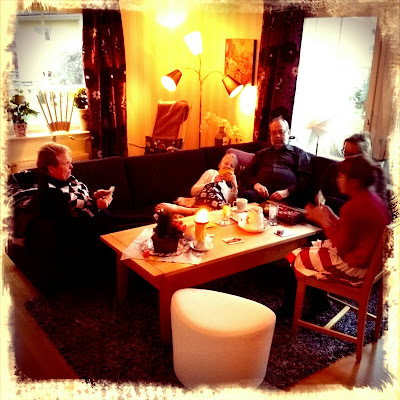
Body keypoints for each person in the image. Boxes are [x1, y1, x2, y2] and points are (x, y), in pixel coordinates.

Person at [276, 153, 391, 319]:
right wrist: (329, 214)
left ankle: (289, 309)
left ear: (354, 182)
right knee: (310, 248)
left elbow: (342, 247)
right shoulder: (373, 200)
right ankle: (320, 302)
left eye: (341, 175)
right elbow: (350, 231)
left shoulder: (353, 207)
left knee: (294, 257)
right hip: (371, 266)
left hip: (356, 269)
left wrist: (323, 221)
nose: (337, 179)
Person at [25, 142, 114, 294]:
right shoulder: (51, 193)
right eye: (67, 163)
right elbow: (73, 224)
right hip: (83, 234)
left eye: (70, 162)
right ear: (51, 168)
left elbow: (75, 198)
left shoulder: (62, 180)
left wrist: (94, 195)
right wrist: (96, 207)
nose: (71, 167)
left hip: (96, 222)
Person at [242, 116, 312, 207]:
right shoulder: (261, 154)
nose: (277, 136)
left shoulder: (299, 154)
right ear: (270, 135)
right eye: (274, 133)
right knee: (246, 198)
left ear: (288, 132)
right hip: (261, 195)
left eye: (281, 132)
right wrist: (256, 184)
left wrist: (287, 191)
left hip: (287, 197)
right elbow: (247, 174)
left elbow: (305, 179)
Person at [319, 132, 387, 214]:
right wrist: (320, 198)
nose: (346, 158)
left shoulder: (376, 173)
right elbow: (322, 191)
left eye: (351, 155)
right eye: (345, 153)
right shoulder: (334, 167)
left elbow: (376, 207)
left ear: (364, 157)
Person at [156, 152, 238, 215]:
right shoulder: (211, 173)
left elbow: (232, 204)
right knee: (215, 208)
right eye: (226, 163)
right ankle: (183, 210)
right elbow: (193, 191)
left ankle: (180, 210)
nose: (228, 166)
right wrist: (212, 183)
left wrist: (234, 185)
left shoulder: (229, 188)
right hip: (205, 201)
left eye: (231, 166)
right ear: (220, 165)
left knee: (222, 210)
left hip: (218, 208)